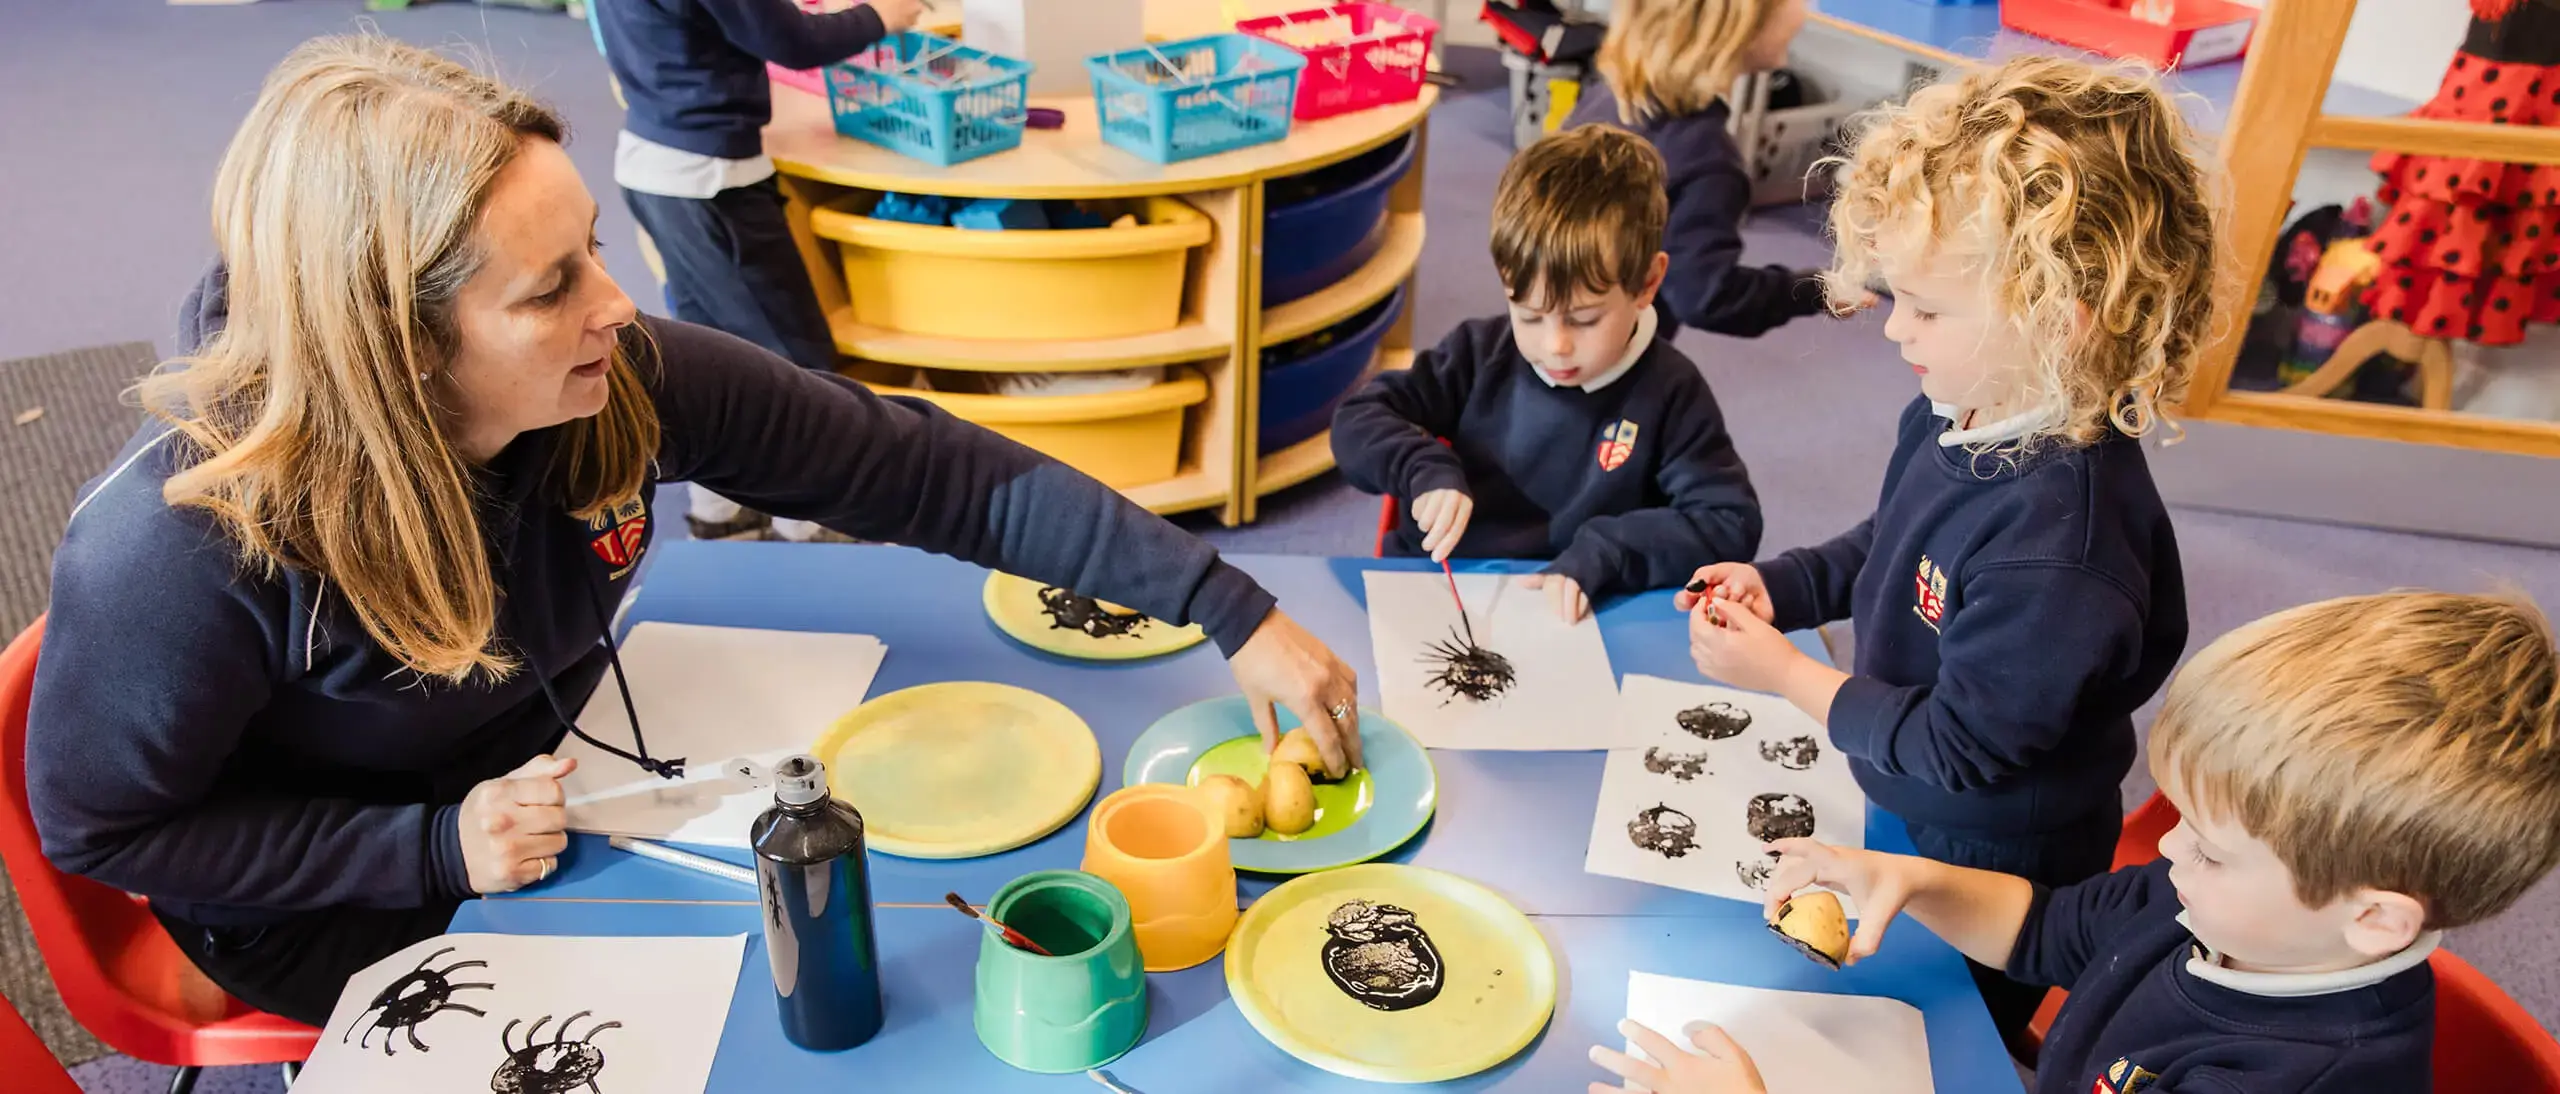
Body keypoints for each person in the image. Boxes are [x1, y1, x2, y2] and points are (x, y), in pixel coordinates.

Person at [24, 35, 1363, 1028]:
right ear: (397, 348)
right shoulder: (176, 554)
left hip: (559, 764)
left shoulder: (610, 372)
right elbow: (105, 832)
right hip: (356, 886)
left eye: (594, 247)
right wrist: (430, 847)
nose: (620, 303)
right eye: (553, 288)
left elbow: (935, 477)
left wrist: (1225, 603)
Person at [1678, 54, 2217, 1046]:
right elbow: (1894, 542)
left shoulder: (2063, 553)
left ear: (2056, 321)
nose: (1892, 329)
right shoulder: (1964, 405)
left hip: (1991, 855)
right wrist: (1784, 585)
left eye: (1926, 306)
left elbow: (1959, 749)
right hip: (1897, 791)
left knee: (1925, 1039)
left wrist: (1785, 673)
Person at [1594, 590, 2560, 1094]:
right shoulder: (2233, 912)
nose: (2167, 854)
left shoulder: (2294, 1080)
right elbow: (2048, 926)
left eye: (2213, 847)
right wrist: (1911, 877)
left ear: (2375, 919)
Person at [1329, 125, 1762, 623]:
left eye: (1584, 319)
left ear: (1648, 283)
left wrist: (1610, 551)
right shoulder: (1479, 352)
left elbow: (1730, 522)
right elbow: (1357, 421)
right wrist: (1421, 469)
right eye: (1530, 315)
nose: (1555, 344)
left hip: (1581, 608)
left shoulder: (1671, 390)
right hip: (1448, 596)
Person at [592, 0, 925, 541]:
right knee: (791, 355)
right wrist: (881, 15)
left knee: (710, 353)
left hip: (654, 161)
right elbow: (792, 41)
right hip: (712, 177)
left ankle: (722, 508)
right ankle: (809, 520)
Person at [1566, 0, 1829, 339]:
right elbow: (1707, 296)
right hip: (1621, 362)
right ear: (1741, 25)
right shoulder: (1708, 161)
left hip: (1550, 342)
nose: (1804, 7)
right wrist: (1811, 291)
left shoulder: (1607, 98)